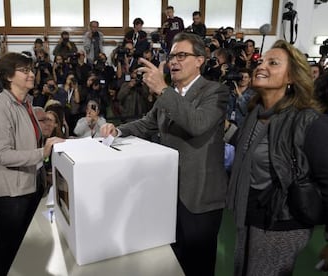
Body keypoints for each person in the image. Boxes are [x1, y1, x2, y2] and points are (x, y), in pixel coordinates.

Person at [100, 32, 229, 276]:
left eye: (182, 55)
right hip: (168, 193)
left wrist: (163, 89)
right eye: (171, 56)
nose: (173, 62)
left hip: (199, 197)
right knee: (172, 260)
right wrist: (118, 130)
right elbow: (147, 123)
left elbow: (197, 123)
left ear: (200, 60)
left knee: (198, 265)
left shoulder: (215, 92)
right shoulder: (168, 95)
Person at [226, 39, 328, 275]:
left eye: (273, 63)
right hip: (249, 215)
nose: (261, 66)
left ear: (291, 78)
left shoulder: (308, 121)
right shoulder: (255, 114)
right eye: (260, 61)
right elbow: (247, 147)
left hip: (283, 222)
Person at [0, 52, 64, 275]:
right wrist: (42, 152)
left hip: (30, 184)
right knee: (11, 252)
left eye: (31, 69)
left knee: (26, 248)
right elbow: (3, 155)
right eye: (25, 70)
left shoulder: (27, 103)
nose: (32, 74)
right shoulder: (0, 107)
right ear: (9, 76)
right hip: (12, 193)